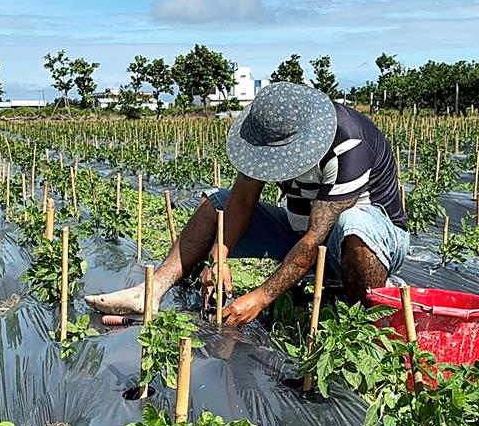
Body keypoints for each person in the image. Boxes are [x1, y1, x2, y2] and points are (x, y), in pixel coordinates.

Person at [85, 82, 409, 327]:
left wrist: (261, 296)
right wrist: (218, 259)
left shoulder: (350, 142)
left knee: (354, 225)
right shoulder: (267, 138)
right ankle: (151, 292)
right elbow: (241, 201)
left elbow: (314, 239)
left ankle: (369, 325)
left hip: (368, 239)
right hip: (298, 232)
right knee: (218, 203)